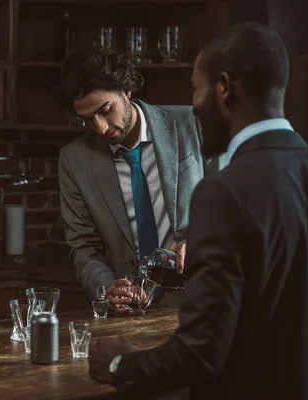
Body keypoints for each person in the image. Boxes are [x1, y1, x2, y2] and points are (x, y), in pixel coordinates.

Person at [88, 22, 308, 399]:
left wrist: (120, 365)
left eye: (197, 89)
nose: (194, 107)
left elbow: (203, 352)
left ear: (225, 88)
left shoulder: (223, 193)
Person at [55, 46, 217, 311]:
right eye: (87, 120)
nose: (101, 128)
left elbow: (234, 206)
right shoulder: (74, 160)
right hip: (132, 311)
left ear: (126, 91)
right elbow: (83, 245)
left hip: (203, 298)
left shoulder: (194, 124)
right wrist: (105, 287)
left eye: (106, 110)